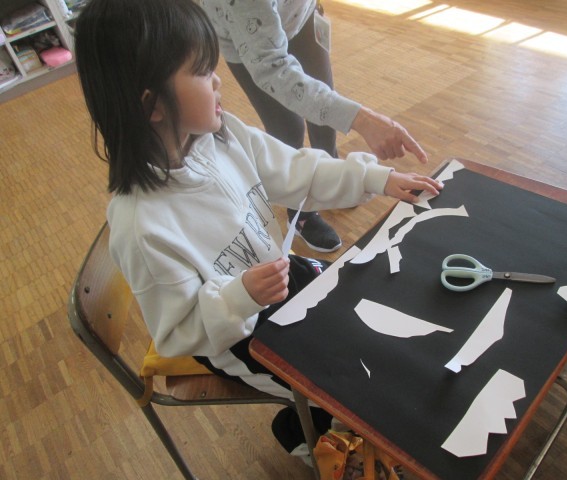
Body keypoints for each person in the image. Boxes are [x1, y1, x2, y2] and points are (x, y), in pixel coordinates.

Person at [74, 0, 442, 463]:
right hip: (237, 334)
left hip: (275, 278)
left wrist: (376, 178)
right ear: (152, 105)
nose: (218, 81)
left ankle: (319, 417)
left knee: (370, 319)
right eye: (202, 72)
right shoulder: (142, 226)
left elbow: (299, 171)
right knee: (354, 383)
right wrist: (240, 296)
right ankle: (303, 429)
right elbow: (178, 333)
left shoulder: (222, 135)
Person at [200, 0, 430, 253]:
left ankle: (337, 179)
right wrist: (363, 120)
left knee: (325, 114)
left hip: (300, 15)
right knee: (288, 132)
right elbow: (273, 70)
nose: (216, 82)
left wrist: (363, 178)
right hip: (249, 38)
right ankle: (301, 213)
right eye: (200, 73)